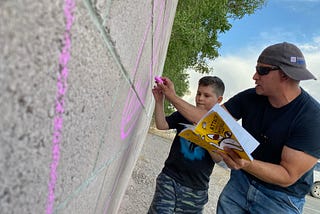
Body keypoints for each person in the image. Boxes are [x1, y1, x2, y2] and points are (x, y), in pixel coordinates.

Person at [156, 42, 320, 214]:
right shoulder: (251, 97)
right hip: (240, 183)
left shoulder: (312, 118)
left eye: (262, 70)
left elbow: (287, 175)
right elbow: (210, 120)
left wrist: (244, 163)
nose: (254, 76)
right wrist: (171, 97)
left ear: (285, 75)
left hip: (280, 199)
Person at [148, 76, 225, 213]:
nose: (200, 98)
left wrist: (204, 136)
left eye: (206, 95)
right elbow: (161, 125)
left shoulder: (220, 126)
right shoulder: (184, 114)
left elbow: (218, 158)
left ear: (219, 100)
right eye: (198, 93)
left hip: (196, 190)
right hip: (169, 178)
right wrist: (159, 102)